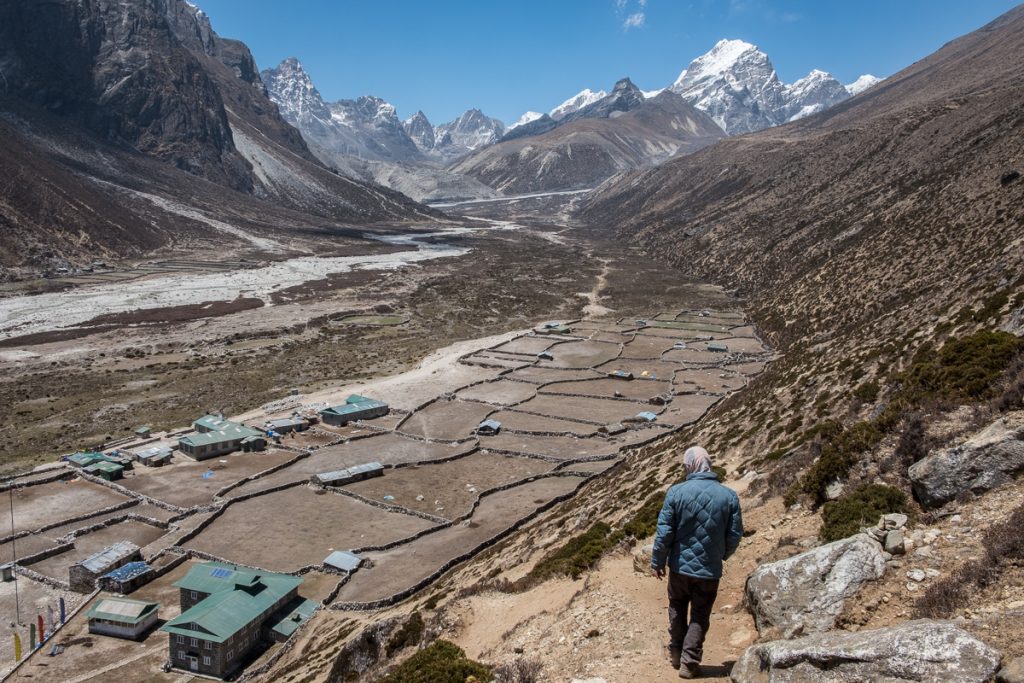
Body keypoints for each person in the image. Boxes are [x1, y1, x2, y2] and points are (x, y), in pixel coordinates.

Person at [650, 446, 743, 679]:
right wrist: (721, 555)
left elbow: (664, 533)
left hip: (679, 567)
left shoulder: (676, 493)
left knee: (677, 606)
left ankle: (676, 651)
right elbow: (734, 534)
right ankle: (689, 662)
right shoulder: (729, 496)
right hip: (709, 569)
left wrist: (658, 561)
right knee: (700, 614)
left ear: (689, 465)